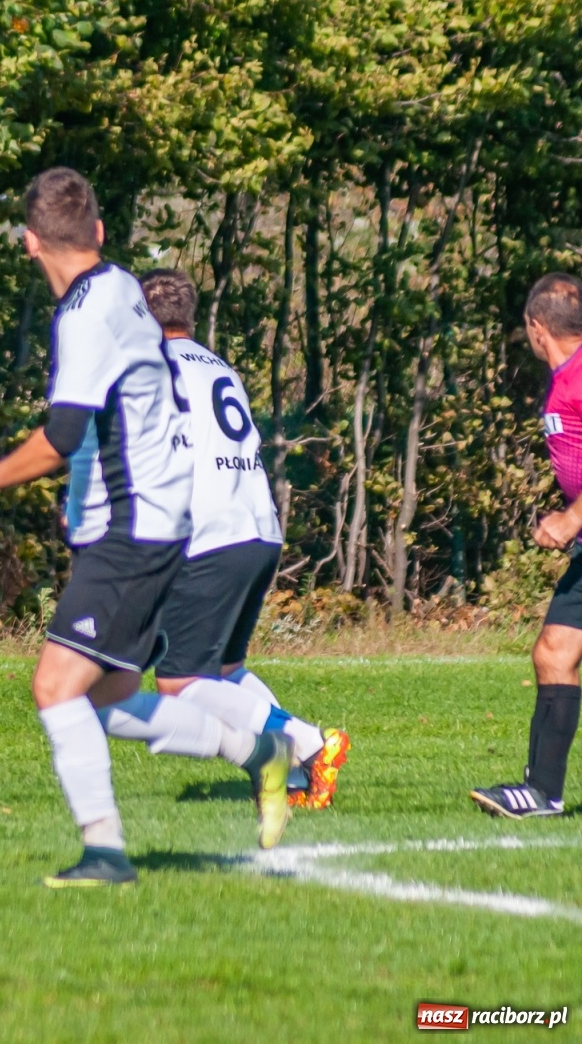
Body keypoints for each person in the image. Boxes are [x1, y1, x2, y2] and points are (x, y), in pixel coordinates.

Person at [0, 167, 292, 889]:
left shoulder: (84, 313)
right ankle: (260, 751)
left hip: (133, 530)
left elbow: (61, 436)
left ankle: (105, 851)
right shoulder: (121, 290)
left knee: (55, 688)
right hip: (155, 523)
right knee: (104, 701)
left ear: (30, 242)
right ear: (100, 232)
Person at [140, 269, 351, 809]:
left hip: (209, 534)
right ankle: (295, 775)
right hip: (257, 528)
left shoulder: (152, 369)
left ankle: (307, 743)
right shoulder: (218, 367)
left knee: (180, 683)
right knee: (226, 671)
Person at [471, 273, 582, 818]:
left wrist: (572, 517)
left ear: (538, 328)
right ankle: (542, 793)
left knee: (553, 652)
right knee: (553, 653)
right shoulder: (565, 376)